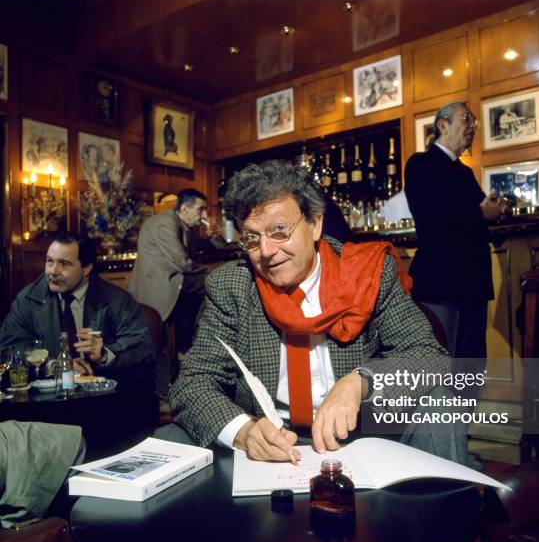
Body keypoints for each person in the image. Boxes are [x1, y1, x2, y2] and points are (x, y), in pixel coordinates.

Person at [166, 159, 469, 465]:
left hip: (362, 434)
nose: (268, 251)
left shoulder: (366, 274)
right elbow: (193, 382)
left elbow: (430, 356)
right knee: (170, 438)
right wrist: (244, 432)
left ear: (314, 224)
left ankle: (441, 510)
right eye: (252, 238)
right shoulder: (232, 286)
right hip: (273, 443)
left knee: (439, 404)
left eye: (279, 231)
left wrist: (360, 381)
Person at [404, 102, 506, 365]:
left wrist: (495, 209)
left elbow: (478, 210)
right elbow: (434, 216)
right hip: (441, 281)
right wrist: (481, 212)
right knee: (440, 365)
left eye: (474, 121)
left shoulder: (464, 171)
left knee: (471, 366)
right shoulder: (421, 164)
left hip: (472, 282)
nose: (472, 126)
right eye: (466, 119)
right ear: (443, 125)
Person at [0, 232, 154, 379]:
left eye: (64, 264)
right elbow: (9, 346)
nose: (53, 271)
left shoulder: (116, 300)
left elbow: (142, 347)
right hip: (49, 397)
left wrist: (104, 355)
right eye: (49, 261)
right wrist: (54, 365)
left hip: (102, 394)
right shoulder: (28, 299)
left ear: (86, 268)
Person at [129, 189, 208, 353]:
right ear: (185, 209)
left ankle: (188, 342)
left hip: (175, 279)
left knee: (207, 285)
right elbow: (183, 263)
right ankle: (190, 342)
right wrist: (209, 271)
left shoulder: (184, 225)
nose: (204, 215)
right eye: (201, 209)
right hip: (160, 284)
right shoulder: (165, 223)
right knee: (212, 282)